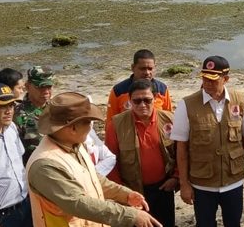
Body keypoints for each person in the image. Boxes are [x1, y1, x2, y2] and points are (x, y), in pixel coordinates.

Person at [26, 92, 161, 227]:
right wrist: (130, 215)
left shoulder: (74, 145)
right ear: (73, 128)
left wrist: (124, 194)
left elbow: (92, 177)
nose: (91, 127)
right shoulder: (45, 165)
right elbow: (77, 203)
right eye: (88, 122)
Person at [170, 56, 244, 227]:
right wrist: (184, 184)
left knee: (233, 223)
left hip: (233, 181)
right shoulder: (186, 105)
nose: (207, 83)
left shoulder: (240, 100)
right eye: (204, 78)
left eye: (213, 79)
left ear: (226, 79)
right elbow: (181, 148)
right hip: (202, 184)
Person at [106, 79, 178, 227]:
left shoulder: (169, 119)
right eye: (137, 101)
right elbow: (109, 162)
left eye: (147, 100)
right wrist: (122, 192)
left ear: (156, 98)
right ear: (130, 101)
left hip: (163, 189)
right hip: (132, 190)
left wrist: (176, 178)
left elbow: (181, 153)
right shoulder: (116, 124)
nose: (142, 105)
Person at [0, 83, 32, 227]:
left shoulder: (11, 128)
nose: (9, 111)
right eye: (2, 106)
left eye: (11, 105)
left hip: (25, 207)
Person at [106, 49, 173, 128]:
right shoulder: (118, 91)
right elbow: (110, 122)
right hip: (128, 136)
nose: (147, 72)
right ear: (133, 68)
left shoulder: (162, 90)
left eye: (150, 69)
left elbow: (169, 118)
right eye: (142, 68)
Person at [15, 66, 55, 164]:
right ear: (27, 86)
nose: (46, 92)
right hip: (33, 168)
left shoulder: (56, 108)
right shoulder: (16, 115)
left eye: (49, 87)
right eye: (40, 87)